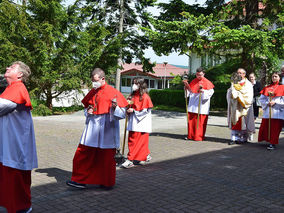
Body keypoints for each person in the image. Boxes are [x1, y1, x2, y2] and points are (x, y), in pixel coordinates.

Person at [66, 68, 128, 189]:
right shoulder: (93, 92)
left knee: (106, 157)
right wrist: (88, 111)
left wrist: (115, 108)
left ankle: (106, 182)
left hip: (107, 128)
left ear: (102, 78)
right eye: (92, 81)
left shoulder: (113, 92)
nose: (94, 83)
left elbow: (122, 113)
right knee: (82, 154)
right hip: (92, 127)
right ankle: (80, 180)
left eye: (95, 80)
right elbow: (87, 107)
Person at [0, 61, 38, 213]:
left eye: (12, 67)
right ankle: (10, 204)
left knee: (15, 174)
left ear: (20, 74)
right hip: (8, 140)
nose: (7, 68)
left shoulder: (17, 88)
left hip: (15, 143)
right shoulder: (10, 89)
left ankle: (22, 206)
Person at [121, 77, 153, 169]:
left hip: (141, 123)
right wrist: (127, 108)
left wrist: (134, 111)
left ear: (141, 85)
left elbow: (146, 110)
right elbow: (128, 104)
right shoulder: (133, 95)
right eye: (133, 83)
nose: (134, 85)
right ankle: (143, 156)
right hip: (133, 121)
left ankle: (130, 159)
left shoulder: (145, 97)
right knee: (132, 140)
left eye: (136, 83)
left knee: (137, 141)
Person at [183, 67, 214, 141]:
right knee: (191, 121)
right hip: (193, 105)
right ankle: (190, 135)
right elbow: (190, 92)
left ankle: (198, 136)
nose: (198, 76)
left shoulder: (207, 82)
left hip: (201, 106)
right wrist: (186, 88)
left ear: (204, 74)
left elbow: (210, 93)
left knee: (199, 123)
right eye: (197, 75)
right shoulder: (194, 81)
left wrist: (203, 91)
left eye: (200, 75)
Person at [226, 68, 255, 145]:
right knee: (235, 121)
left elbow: (249, 95)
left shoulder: (248, 84)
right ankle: (233, 138)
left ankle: (243, 138)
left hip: (243, 106)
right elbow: (230, 92)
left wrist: (240, 96)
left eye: (241, 73)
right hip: (235, 105)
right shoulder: (234, 82)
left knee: (244, 123)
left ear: (244, 74)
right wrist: (231, 93)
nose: (239, 74)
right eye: (238, 73)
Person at [258, 72, 284, 150]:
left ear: (279, 78)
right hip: (268, 111)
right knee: (267, 127)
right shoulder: (266, 88)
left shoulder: (282, 87)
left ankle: (273, 143)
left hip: (277, 111)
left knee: (275, 128)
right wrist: (267, 103)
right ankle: (269, 140)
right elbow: (261, 99)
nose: (274, 78)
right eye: (273, 76)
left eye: (276, 76)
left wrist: (275, 102)